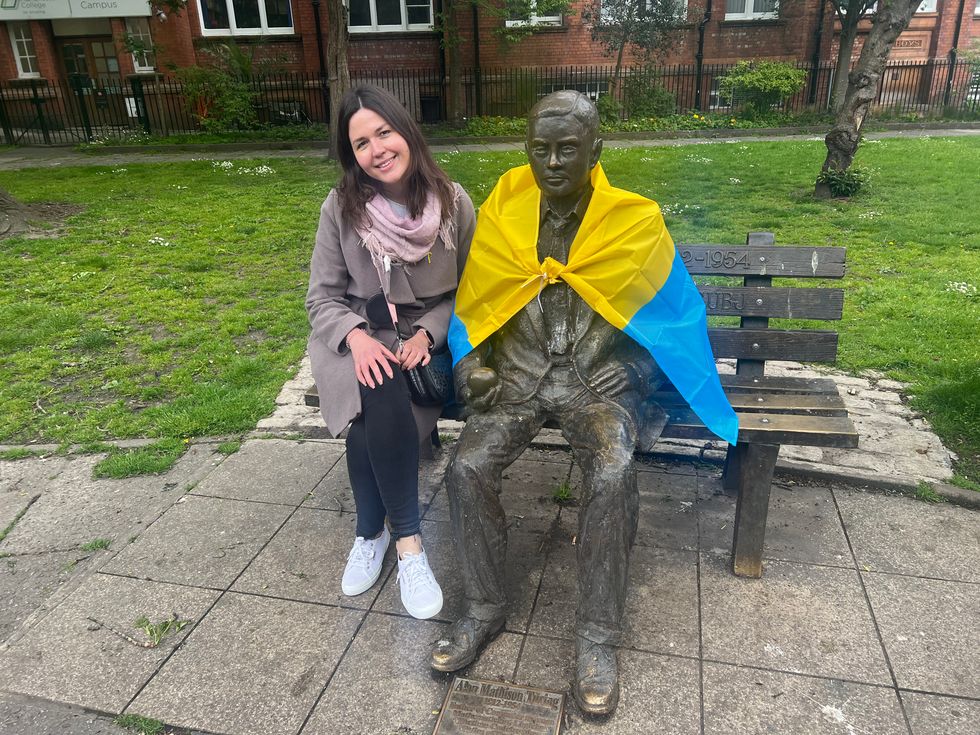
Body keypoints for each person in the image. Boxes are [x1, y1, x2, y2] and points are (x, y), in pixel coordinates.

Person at [432, 91, 737, 714]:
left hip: (595, 383)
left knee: (613, 472)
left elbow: (671, 319)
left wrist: (634, 368)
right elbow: (477, 303)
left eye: (567, 149)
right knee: (467, 467)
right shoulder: (503, 212)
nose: (551, 163)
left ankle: (597, 635)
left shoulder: (634, 222)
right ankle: (483, 607)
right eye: (539, 149)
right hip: (518, 380)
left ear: (595, 151)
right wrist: (469, 366)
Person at [305, 85, 475, 620]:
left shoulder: (454, 203)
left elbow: (469, 293)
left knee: (373, 419)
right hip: (353, 337)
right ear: (350, 154)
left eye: (384, 133)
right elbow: (321, 298)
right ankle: (408, 544)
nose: (376, 150)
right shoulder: (341, 208)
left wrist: (427, 335)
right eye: (361, 143)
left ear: (406, 131)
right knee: (376, 386)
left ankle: (370, 534)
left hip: (425, 343)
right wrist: (357, 338)